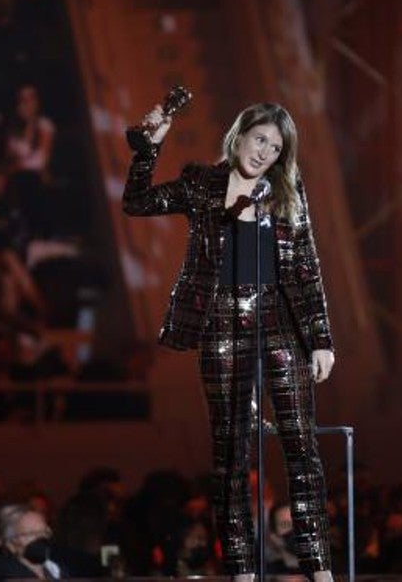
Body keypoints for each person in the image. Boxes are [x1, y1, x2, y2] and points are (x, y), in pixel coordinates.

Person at [122, 102, 337, 581]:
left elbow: (306, 268)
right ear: (239, 135)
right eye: (260, 139)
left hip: (280, 323)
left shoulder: (286, 191)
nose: (265, 152)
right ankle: (242, 571)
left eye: (276, 148)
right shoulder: (202, 183)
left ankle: (319, 570)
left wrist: (321, 339)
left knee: (301, 446)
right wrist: (148, 149)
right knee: (231, 455)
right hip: (220, 324)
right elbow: (136, 202)